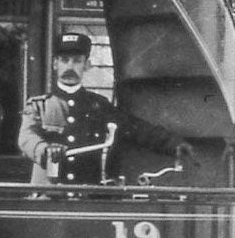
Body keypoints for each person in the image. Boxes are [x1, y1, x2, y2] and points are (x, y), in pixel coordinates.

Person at [18, 32, 194, 185]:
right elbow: (27, 137)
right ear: (55, 64)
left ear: (86, 65)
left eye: (77, 61)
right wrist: (45, 150)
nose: (70, 67)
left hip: (86, 197)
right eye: (64, 61)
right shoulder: (39, 106)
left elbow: (134, 127)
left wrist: (172, 144)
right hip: (47, 199)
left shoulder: (98, 106)